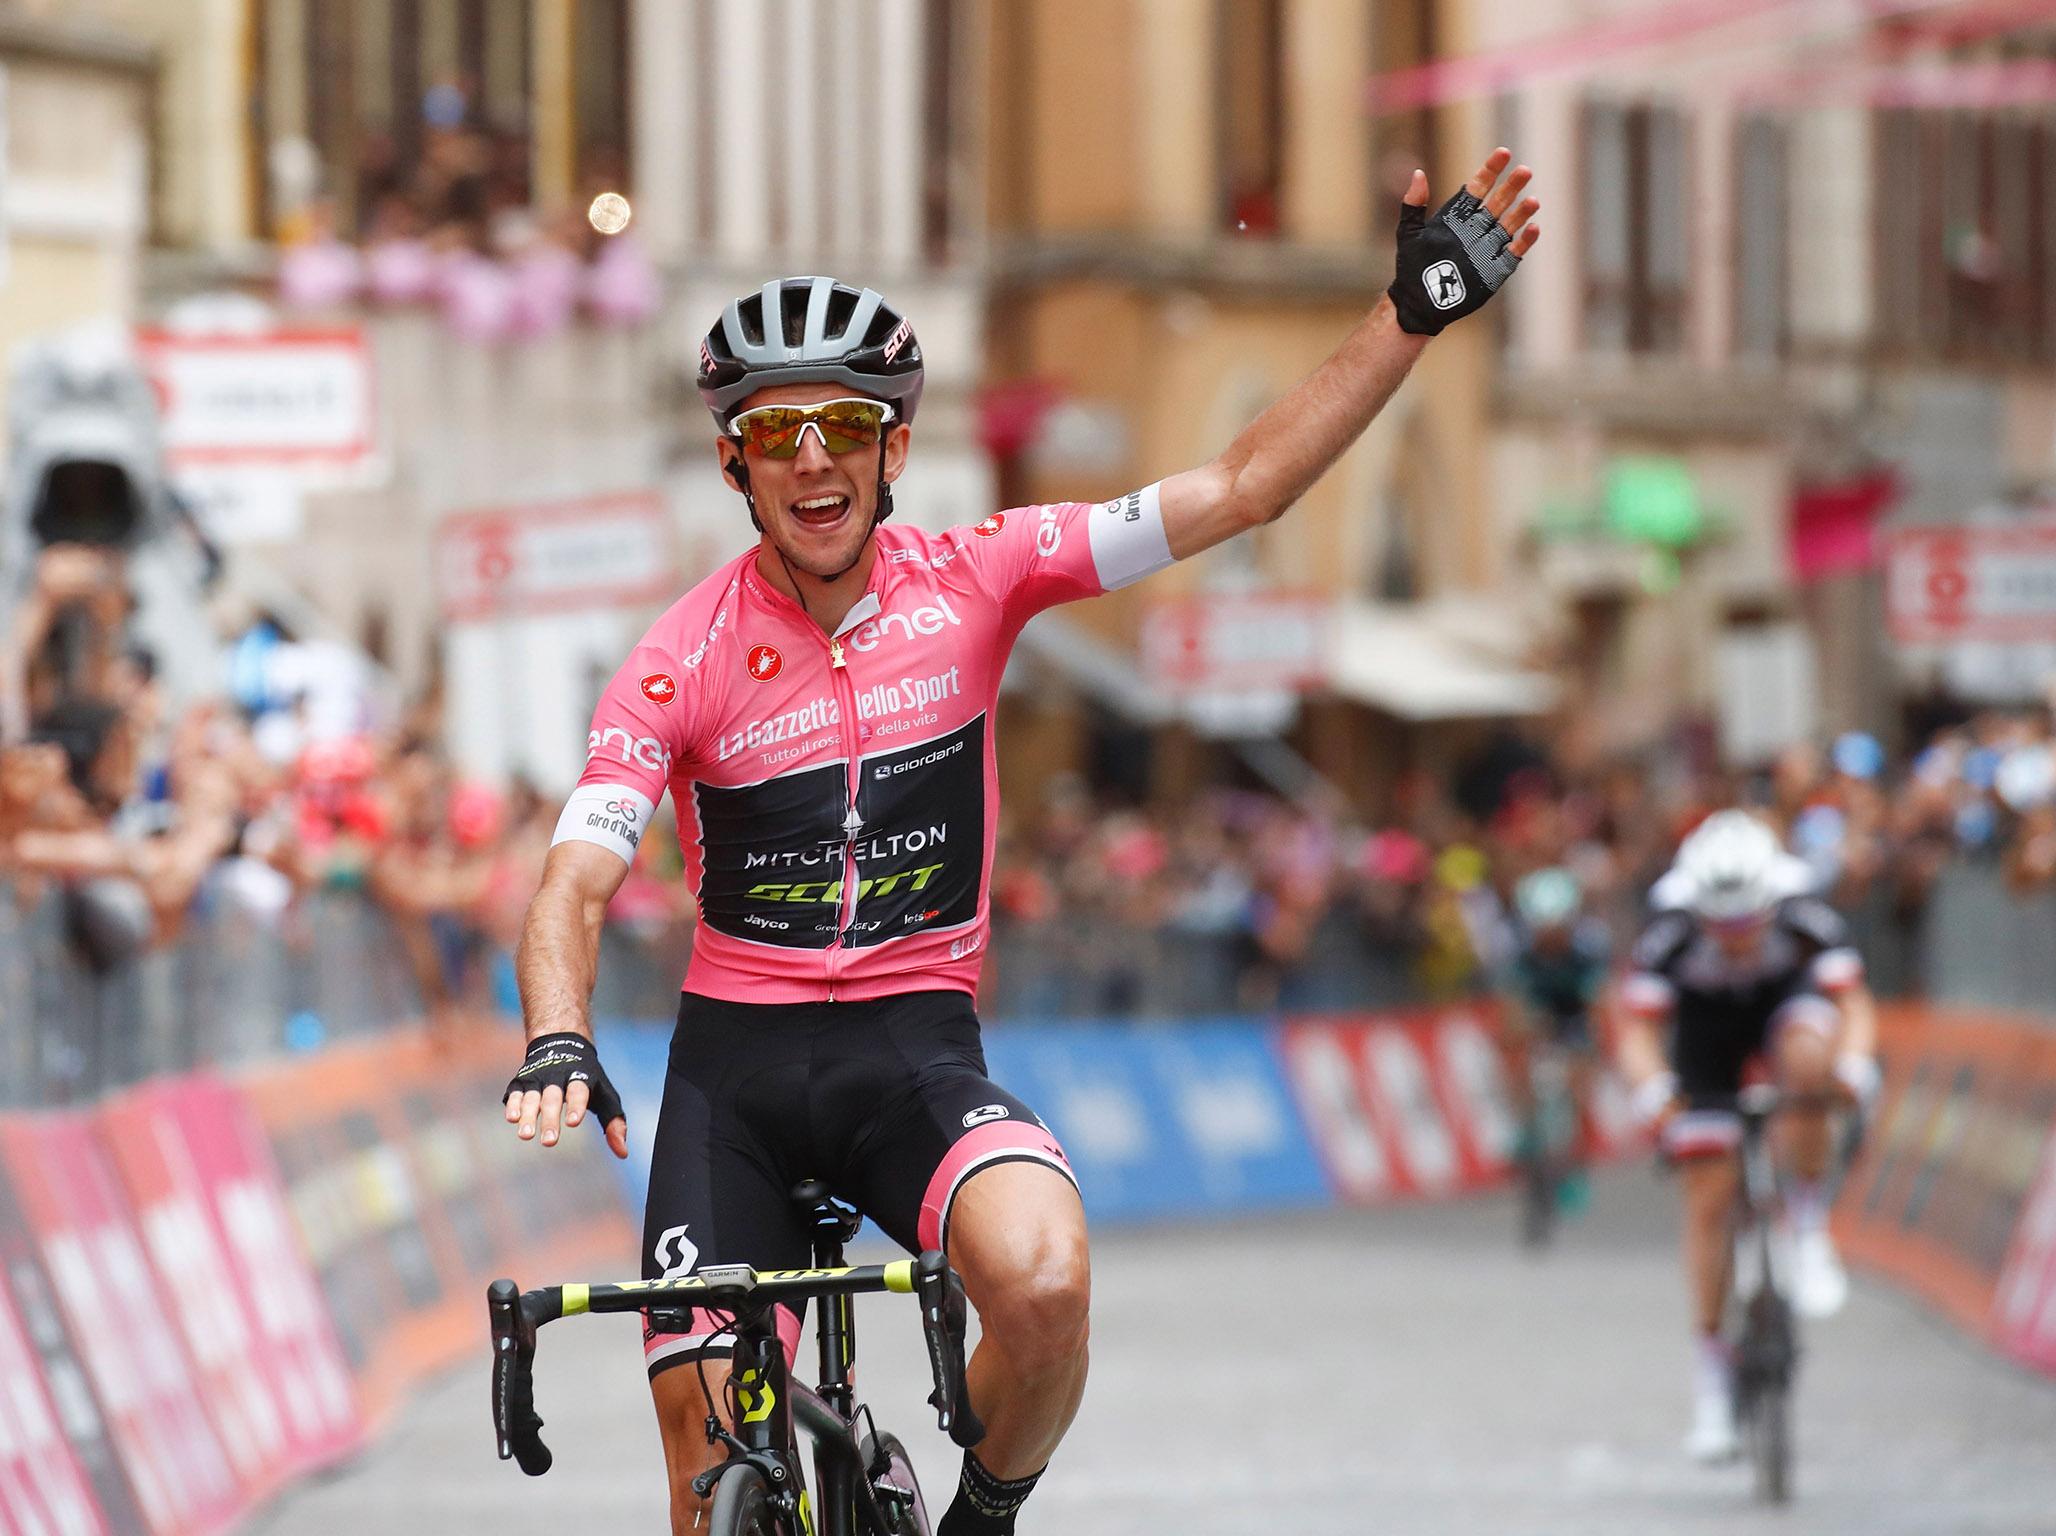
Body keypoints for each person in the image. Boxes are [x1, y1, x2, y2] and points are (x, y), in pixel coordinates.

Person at [503, 149, 1541, 1534]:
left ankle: (977, 1519)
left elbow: (1238, 486)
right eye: (774, 432)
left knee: (1046, 1290)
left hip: (912, 1049)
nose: (811, 458)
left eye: (842, 426)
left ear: (893, 448)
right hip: (732, 1077)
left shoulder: (982, 576)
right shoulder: (673, 655)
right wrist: (560, 1033)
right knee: (706, 1471)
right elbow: (576, 876)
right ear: (735, 463)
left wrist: (1403, 321)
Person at [1615, 809, 1881, 1464]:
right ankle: (1711, 1373)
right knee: (1707, 1195)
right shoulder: (1669, 928)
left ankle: (1810, 1221)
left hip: (1784, 1012)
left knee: (1812, 1067)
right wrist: (1654, 1096)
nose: (1734, 938)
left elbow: (1853, 1004)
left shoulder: (1802, 914)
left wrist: (1851, 1068)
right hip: (1705, 1037)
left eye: (1747, 923)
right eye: (1721, 925)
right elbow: (1637, 1030)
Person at [1498, 866, 1608, 1206]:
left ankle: (1574, 1167)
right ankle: (1524, 1124)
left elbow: (1598, 1005)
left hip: (1574, 1012)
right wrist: (1520, 1034)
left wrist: (1594, 1049)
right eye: (1542, 930)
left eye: (1557, 929)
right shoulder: (1514, 945)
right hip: (1538, 1007)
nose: (1550, 937)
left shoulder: (1590, 944)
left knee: (1580, 1083)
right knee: (1514, 1050)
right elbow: (1511, 1003)